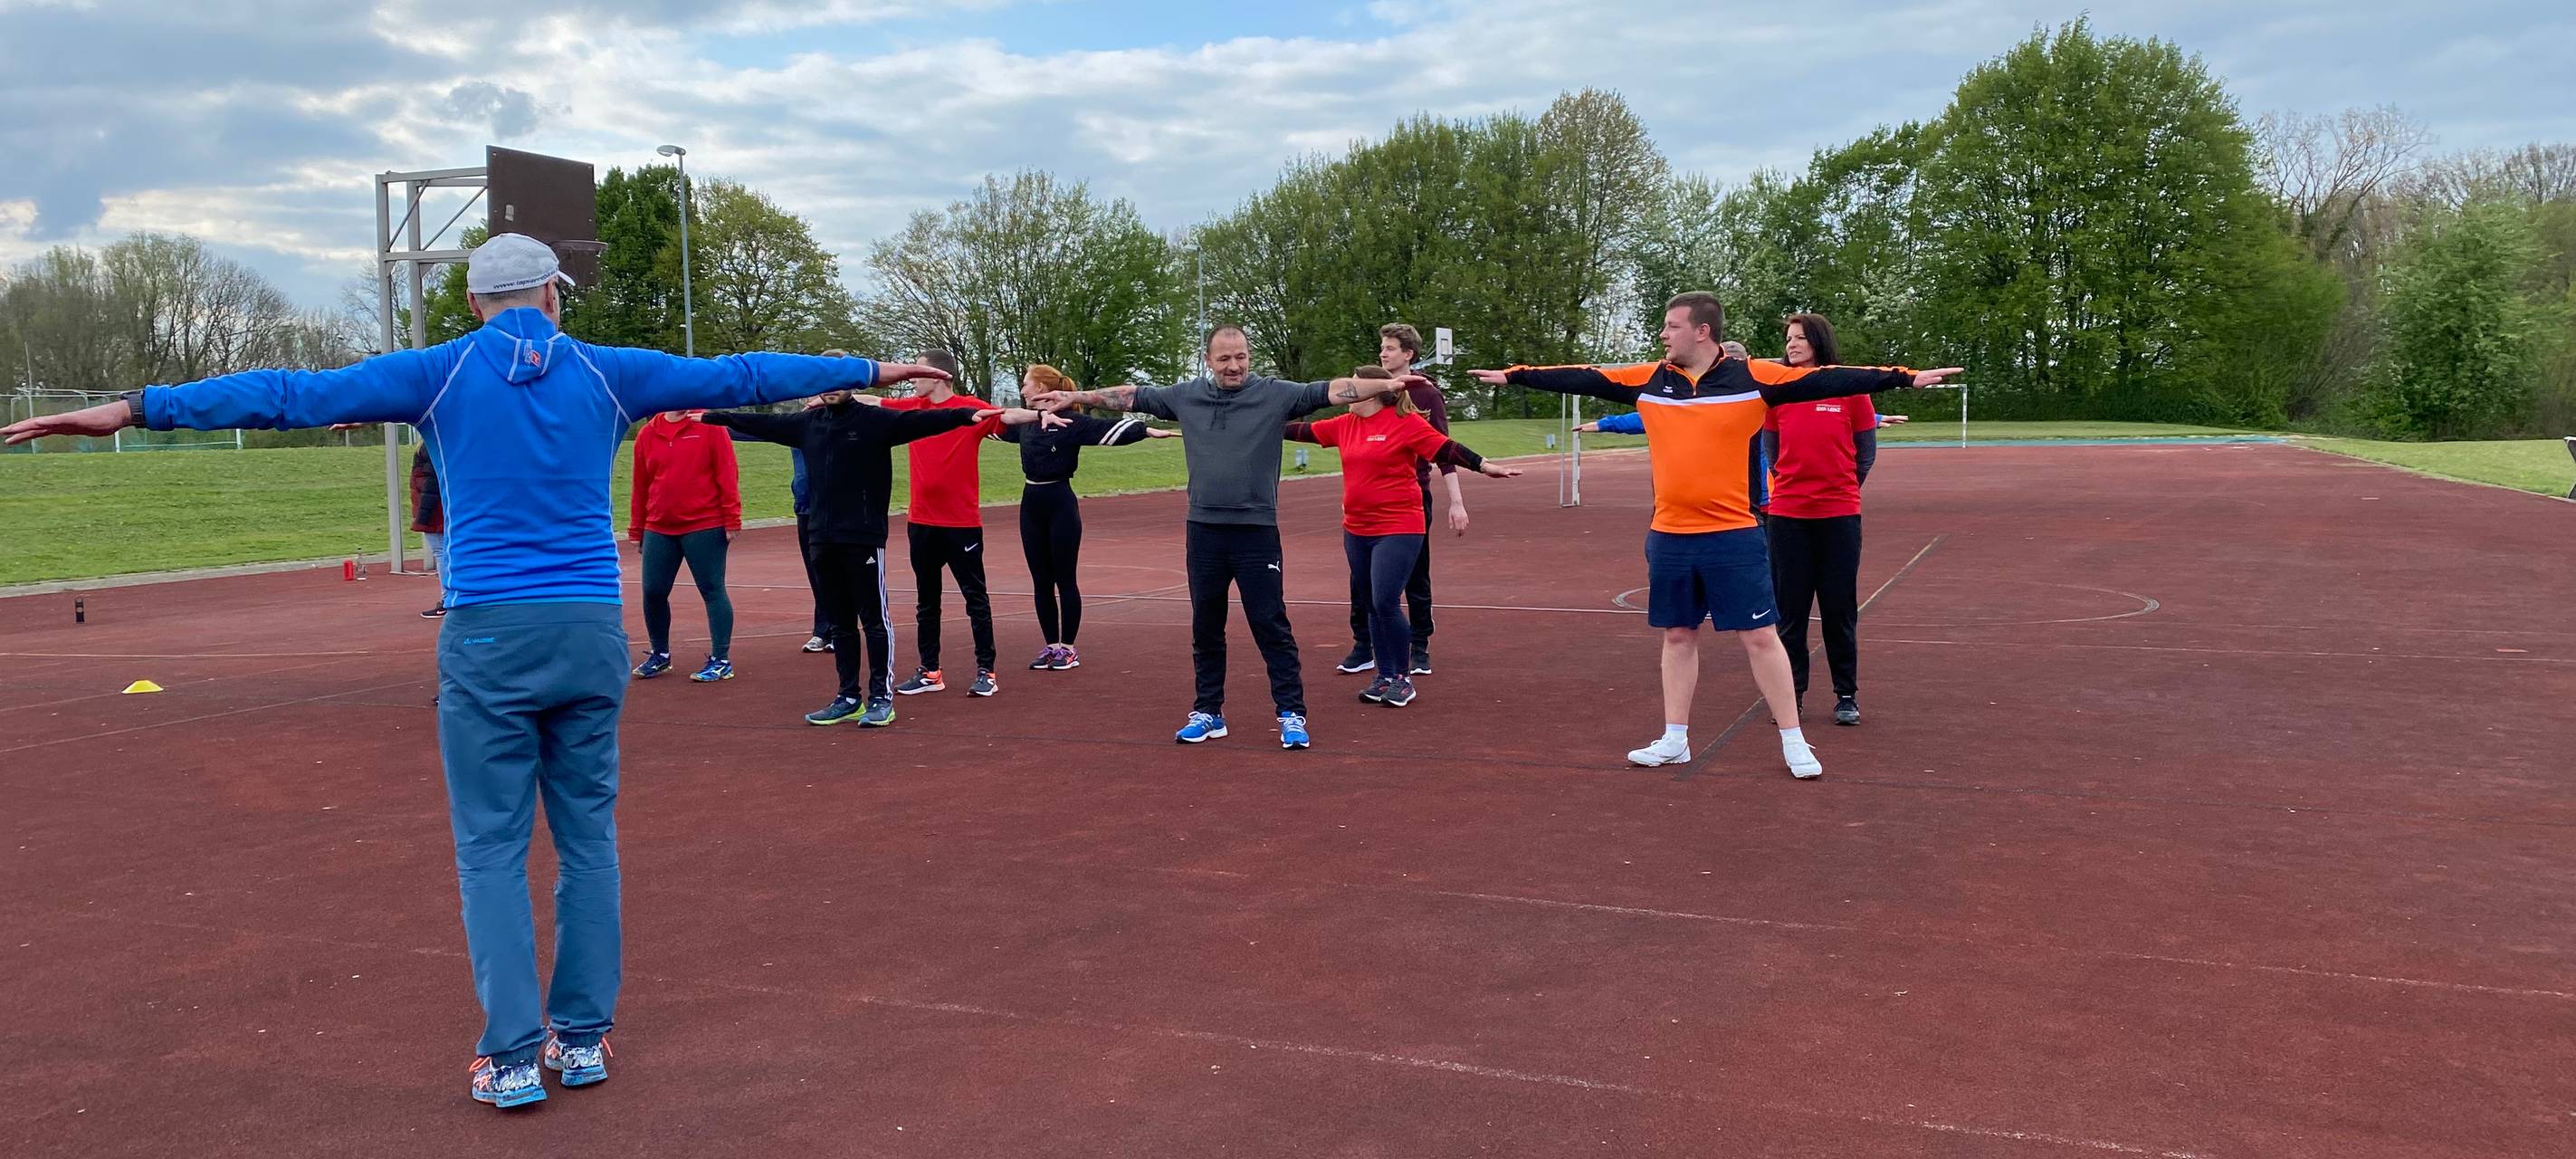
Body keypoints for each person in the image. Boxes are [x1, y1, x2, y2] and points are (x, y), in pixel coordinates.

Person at [0, 234, 956, 1108]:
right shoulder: (609, 371)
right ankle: (580, 1039)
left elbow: (290, 393)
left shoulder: (439, 372)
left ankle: (508, 1054)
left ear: (471, 303)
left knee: (491, 845)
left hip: (489, 632)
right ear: (550, 293)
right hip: (586, 628)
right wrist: (869, 366)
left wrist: (130, 410)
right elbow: (742, 373)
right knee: (587, 837)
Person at [1472, 291, 1958, 778]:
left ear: (1702, 330)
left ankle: (1794, 741)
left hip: (1733, 534)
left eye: (1671, 326)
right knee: (1678, 635)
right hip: (1669, 534)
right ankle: (1674, 739)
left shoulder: (1755, 378)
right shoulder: (1650, 380)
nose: (1663, 335)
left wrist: (1906, 377)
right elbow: (1585, 375)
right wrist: (1516, 374)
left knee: (1762, 638)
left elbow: (1829, 378)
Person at [1026, 325, 1422, 749]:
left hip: (1256, 532)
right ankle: (1208, 712)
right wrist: (1076, 396)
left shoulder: (1277, 394)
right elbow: (1132, 396)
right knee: (1206, 626)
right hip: (1204, 531)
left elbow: (1330, 389)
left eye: (1241, 357)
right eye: (1224, 359)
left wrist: (1385, 383)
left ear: (1249, 357)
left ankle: (1291, 714)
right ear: (1209, 360)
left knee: (1271, 624)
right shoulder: (1185, 396)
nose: (1234, 366)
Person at [704, 379, 1046, 728]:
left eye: (840, 381)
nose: (830, 388)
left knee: (876, 619)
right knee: (841, 623)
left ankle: (883, 697)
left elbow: (937, 419)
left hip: (866, 537)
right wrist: (704, 415)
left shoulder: (876, 421)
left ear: (852, 384)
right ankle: (848, 697)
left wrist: (990, 415)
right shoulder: (807, 423)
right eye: (825, 381)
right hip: (823, 536)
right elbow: (756, 423)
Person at [1286, 366, 1519, 707]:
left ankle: (1402, 678)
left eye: (1354, 383)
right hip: (1357, 527)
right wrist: (1236, 421)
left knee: (1385, 600)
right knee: (1370, 603)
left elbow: (1446, 448)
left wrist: (1485, 466)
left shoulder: (1405, 423)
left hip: (1399, 526)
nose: (1347, 390)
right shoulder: (1345, 425)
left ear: (1372, 391)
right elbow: (1299, 430)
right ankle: (1383, 676)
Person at [997, 364, 1178, 671]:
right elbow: (987, 424)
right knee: (1041, 580)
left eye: (1027, 384)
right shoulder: (1025, 423)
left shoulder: (1072, 421)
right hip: (1031, 504)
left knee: (1065, 578)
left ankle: (1067, 648)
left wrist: (1145, 430)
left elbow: (1106, 430)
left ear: (1042, 388)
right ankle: (1051, 646)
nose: (1023, 390)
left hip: (1060, 503)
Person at [1761, 313, 1889, 727]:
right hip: (1787, 516)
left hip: (1839, 515)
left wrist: (1842, 488)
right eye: (1788, 339)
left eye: (1799, 338)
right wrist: (1793, 485)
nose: (1791, 345)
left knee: (1838, 609)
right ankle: (1791, 695)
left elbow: (1865, 453)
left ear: (1818, 341)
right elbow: (1772, 450)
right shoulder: (1778, 390)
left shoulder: (1850, 389)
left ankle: (1846, 695)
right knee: (1790, 611)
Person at [1331, 323, 1464, 679]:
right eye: (1382, 347)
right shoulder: (1365, 392)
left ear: (1408, 354)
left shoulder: (1426, 395)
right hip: (1366, 507)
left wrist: (1456, 502)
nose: (1383, 353)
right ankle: (1364, 646)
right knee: (1364, 583)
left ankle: (1418, 645)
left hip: (1410, 498)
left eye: (1390, 348)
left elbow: (1444, 450)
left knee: (1415, 576)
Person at [883, 350, 1005, 699]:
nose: (911, 379)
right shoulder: (913, 410)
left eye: (917, 372)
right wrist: (826, 388)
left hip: (961, 522)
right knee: (926, 600)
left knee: (975, 598)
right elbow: (871, 401)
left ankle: (987, 671)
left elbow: (1008, 418)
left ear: (938, 376)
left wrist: (1046, 413)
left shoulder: (970, 407)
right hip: (921, 521)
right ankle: (930, 671)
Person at [627, 407, 741, 683]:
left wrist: (732, 518)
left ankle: (721, 659)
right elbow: (640, 484)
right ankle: (660, 654)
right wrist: (637, 526)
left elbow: (727, 473)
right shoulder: (647, 433)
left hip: (704, 523)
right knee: (653, 591)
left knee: (712, 589)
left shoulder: (710, 427)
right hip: (659, 524)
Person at [411, 444, 448, 618]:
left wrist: (423, 515)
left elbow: (431, 484)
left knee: (441, 552)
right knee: (444, 552)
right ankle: (450, 598)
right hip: (435, 506)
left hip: (433, 508)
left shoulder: (428, 448)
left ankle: (447, 599)